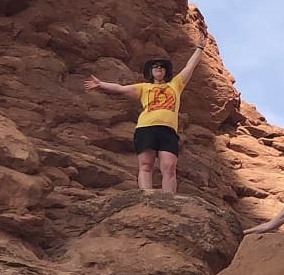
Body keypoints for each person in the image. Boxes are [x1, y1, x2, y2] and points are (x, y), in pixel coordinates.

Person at [84, 36, 206, 193]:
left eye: (162, 67)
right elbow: (120, 88)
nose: (159, 68)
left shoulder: (176, 84)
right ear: (151, 72)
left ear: (166, 71)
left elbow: (190, 67)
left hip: (168, 131)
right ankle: (146, 196)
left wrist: (200, 48)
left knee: (169, 167)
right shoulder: (143, 87)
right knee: (146, 165)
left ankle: (168, 199)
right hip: (146, 128)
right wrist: (101, 84)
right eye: (155, 67)